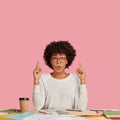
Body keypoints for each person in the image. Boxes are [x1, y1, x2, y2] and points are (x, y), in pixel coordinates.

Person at [33, 40, 88, 110]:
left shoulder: (76, 78)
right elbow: (38, 106)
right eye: (54, 58)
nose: (58, 62)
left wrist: (83, 81)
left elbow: (82, 107)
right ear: (50, 61)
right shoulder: (42, 78)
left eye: (62, 58)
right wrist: (36, 81)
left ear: (67, 60)